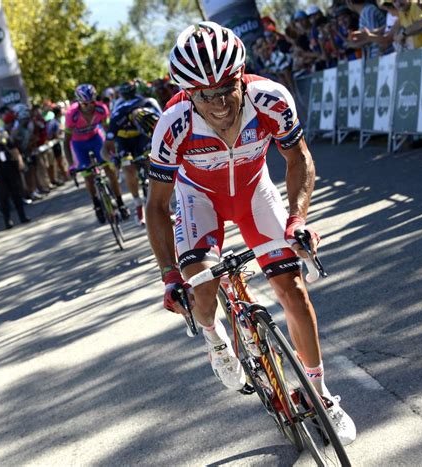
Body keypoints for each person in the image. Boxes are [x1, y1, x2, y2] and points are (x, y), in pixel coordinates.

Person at [145, 21, 356, 446]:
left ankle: (321, 394)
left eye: (228, 87)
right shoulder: (172, 125)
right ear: (187, 92)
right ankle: (215, 340)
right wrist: (170, 275)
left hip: (254, 189)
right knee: (203, 291)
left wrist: (297, 219)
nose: (220, 102)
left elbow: (299, 159)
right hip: (198, 199)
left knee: (293, 288)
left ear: (242, 74)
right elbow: (157, 206)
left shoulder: (270, 99)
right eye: (205, 95)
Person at [64, 84, 129, 223]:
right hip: (78, 144)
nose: (89, 106)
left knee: (109, 170)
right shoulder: (71, 115)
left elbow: (108, 133)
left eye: (92, 102)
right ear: (79, 102)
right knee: (88, 175)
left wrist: (113, 154)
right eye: (85, 103)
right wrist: (71, 165)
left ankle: (120, 203)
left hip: (96, 139)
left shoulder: (101, 109)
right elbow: (66, 142)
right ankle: (97, 205)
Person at [103, 81, 162, 226]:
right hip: (124, 140)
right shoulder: (119, 115)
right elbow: (105, 148)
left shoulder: (149, 103)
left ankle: (162, 204)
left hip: (143, 138)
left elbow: (164, 128)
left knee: (151, 161)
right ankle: (137, 204)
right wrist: (111, 160)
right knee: (127, 167)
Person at [0, 118, 30, 229]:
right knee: (3, 197)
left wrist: (20, 161)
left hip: (10, 168)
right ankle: (8, 221)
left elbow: (14, 149)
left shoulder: (4, 135)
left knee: (16, 193)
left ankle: (22, 216)